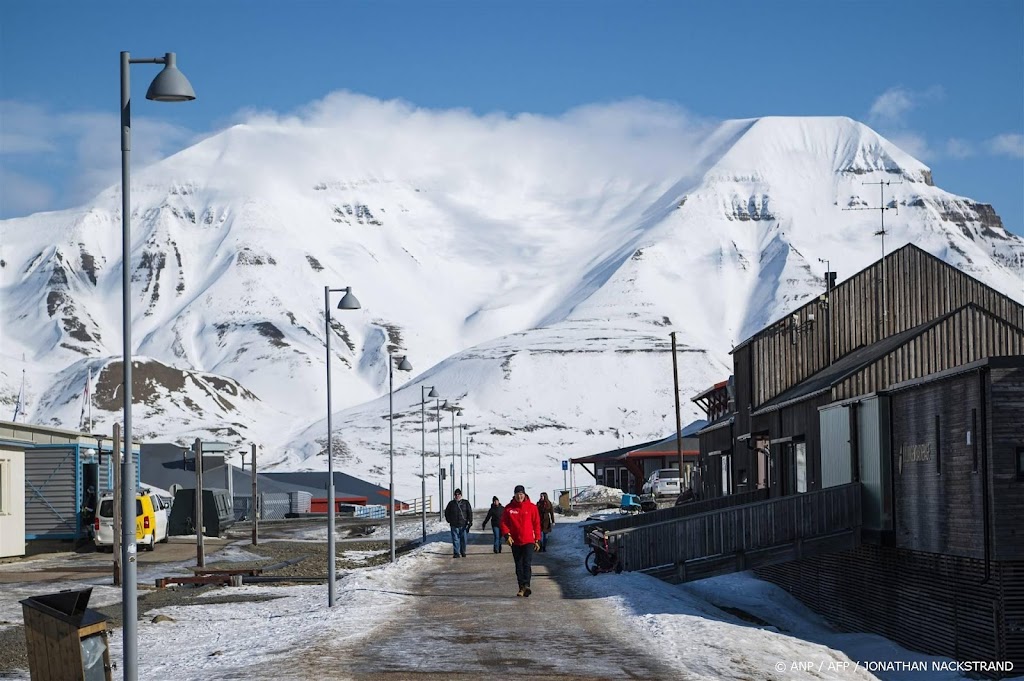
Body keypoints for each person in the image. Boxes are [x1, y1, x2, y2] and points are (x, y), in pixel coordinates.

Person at [499, 484, 541, 597]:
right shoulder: (509, 508)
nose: (519, 496)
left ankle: (526, 585)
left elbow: (536, 524)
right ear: (514, 495)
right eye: (517, 494)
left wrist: (537, 539)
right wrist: (507, 535)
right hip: (515, 541)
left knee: (526, 563)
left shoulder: (532, 507)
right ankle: (521, 587)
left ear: (524, 494)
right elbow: (503, 523)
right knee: (518, 565)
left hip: (528, 540)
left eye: (521, 494)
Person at [444, 488, 472, 558]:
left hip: (463, 525)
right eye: (456, 495)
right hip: (454, 525)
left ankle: (463, 551)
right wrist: (449, 520)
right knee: (455, 539)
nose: (457, 496)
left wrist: (470, 521)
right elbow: (447, 512)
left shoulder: (465, 503)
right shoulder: (451, 503)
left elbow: (469, 512)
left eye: (458, 494)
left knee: (464, 539)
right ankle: (456, 553)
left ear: (461, 495)